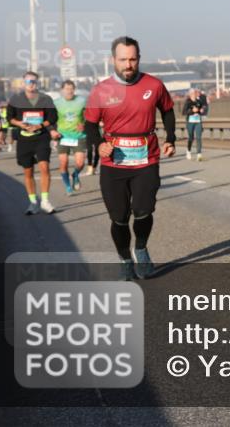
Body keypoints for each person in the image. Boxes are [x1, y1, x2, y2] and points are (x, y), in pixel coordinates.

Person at [85, 36, 177, 281]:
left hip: (146, 159)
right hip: (114, 161)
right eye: (123, 60)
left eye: (133, 59)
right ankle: (125, 258)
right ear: (113, 60)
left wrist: (171, 138)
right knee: (119, 217)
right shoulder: (100, 90)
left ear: (139, 59)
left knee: (144, 210)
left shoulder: (154, 85)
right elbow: (90, 126)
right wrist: (100, 145)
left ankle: (141, 249)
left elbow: (167, 110)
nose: (128, 65)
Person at [6, 72, 60, 214]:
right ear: (24, 83)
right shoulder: (16, 99)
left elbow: (53, 117)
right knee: (28, 172)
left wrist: (39, 126)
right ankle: (33, 203)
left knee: (44, 167)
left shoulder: (45, 99)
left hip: (41, 137)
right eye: (29, 81)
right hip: (24, 139)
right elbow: (9, 118)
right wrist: (20, 123)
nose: (32, 84)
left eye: (34, 81)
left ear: (38, 83)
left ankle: (45, 201)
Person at [54, 80, 88, 195]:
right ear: (62, 90)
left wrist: (85, 124)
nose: (69, 91)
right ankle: (68, 186)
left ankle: (75, 174)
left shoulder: (82, 101)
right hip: (62, 136)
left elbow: (90, 115)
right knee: (63, 163)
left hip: (78, 136)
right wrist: (53, 132)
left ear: (74, 89)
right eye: (67, 89)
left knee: (80, 163)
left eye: (71, 88)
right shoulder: (56, 103)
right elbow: (51, 119)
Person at [182, 88, 207, 161]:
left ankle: (199, 154)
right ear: (190, 94)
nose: (196, 94)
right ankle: (188, 150)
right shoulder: (188, 102)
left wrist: (202, 109)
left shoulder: (199, 101)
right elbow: (184, 112)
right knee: (191, 137)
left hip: (198, 121)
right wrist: (191, 111)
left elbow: (203, 107)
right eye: (194, 93)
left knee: (199, 137)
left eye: (196, 93)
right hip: (190, 122)